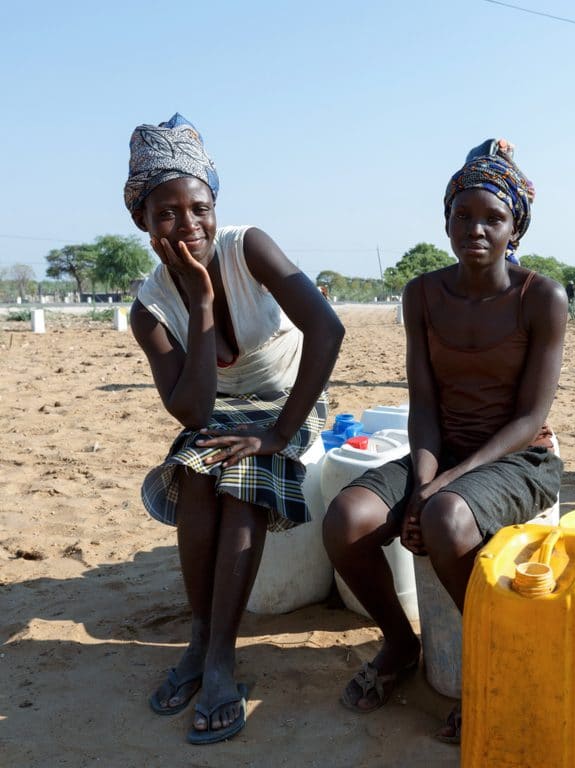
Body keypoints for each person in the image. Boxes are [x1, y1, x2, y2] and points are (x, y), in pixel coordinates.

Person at [322, 139, 567, 743]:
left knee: (447, 521)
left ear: (516, 229)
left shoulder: (541, 298)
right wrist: (421, 486)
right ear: (446, 220)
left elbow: (529, 417)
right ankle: (401, 645)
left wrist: (438, 490)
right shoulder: (423, 294)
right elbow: (425, 405)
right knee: (345, 520)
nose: (476, 229)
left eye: (494, 218)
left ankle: (493, 667)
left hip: (520, 458)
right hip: (442, 451)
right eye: (464, 215)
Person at [125, 113, 344, 745]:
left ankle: (220, 656)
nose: (187, 225)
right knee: (197, 476)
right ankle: (199, 641)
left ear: (215, 205)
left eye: (199, 207)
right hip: (216, 412)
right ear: (143, 220)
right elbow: (192, 412)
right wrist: (197, 302)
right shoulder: (151, 307)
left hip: (288, 401)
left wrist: (280, 431)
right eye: (166, 212)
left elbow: (327, 330)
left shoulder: (249, 248)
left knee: (242, 478)